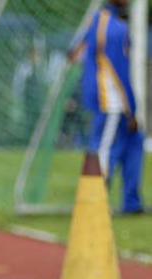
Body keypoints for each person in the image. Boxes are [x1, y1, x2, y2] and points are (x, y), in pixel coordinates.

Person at [76, 0, 145, 214]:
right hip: (112, 103)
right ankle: (95, 202)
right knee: (104, 150)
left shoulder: (96, 21)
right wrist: (131, 109)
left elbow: (74, 52)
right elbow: (120, 74)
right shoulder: (114, 29)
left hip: (108, 101)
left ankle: (132, 203)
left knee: (135, 142)